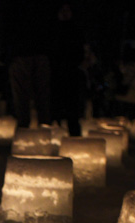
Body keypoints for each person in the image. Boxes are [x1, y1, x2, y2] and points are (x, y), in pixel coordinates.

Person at [4, 0, 52, 127]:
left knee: (27, 97)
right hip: (32, 51)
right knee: (38, 96)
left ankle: (31, 128)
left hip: (25, 52)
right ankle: (35, 128)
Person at [50, 2, 85, 136]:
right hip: (56, 74)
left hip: (71, 75)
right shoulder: (53, 30)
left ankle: (74, 139)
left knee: (72, 111)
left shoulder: (76, 31)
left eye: (67, 10)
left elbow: (80, 53)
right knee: (55, 109)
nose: (65, 13)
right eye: (62, 10)